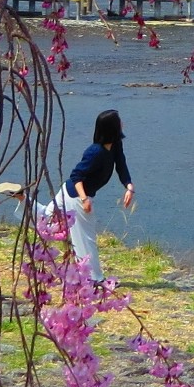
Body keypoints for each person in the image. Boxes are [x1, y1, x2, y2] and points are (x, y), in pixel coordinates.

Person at [40, 108, 134, 281]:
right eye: (119, 121)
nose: (122, 123)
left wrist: (129, 187)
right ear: (112, 127)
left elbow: (121, 164)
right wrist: (84, 199)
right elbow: (76, 176)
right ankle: (95, 279)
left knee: (44, 219)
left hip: (70, 191)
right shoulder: (95, 152)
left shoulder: (115, 145)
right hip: (76, 196)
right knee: (85, 238)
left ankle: (22, 199)